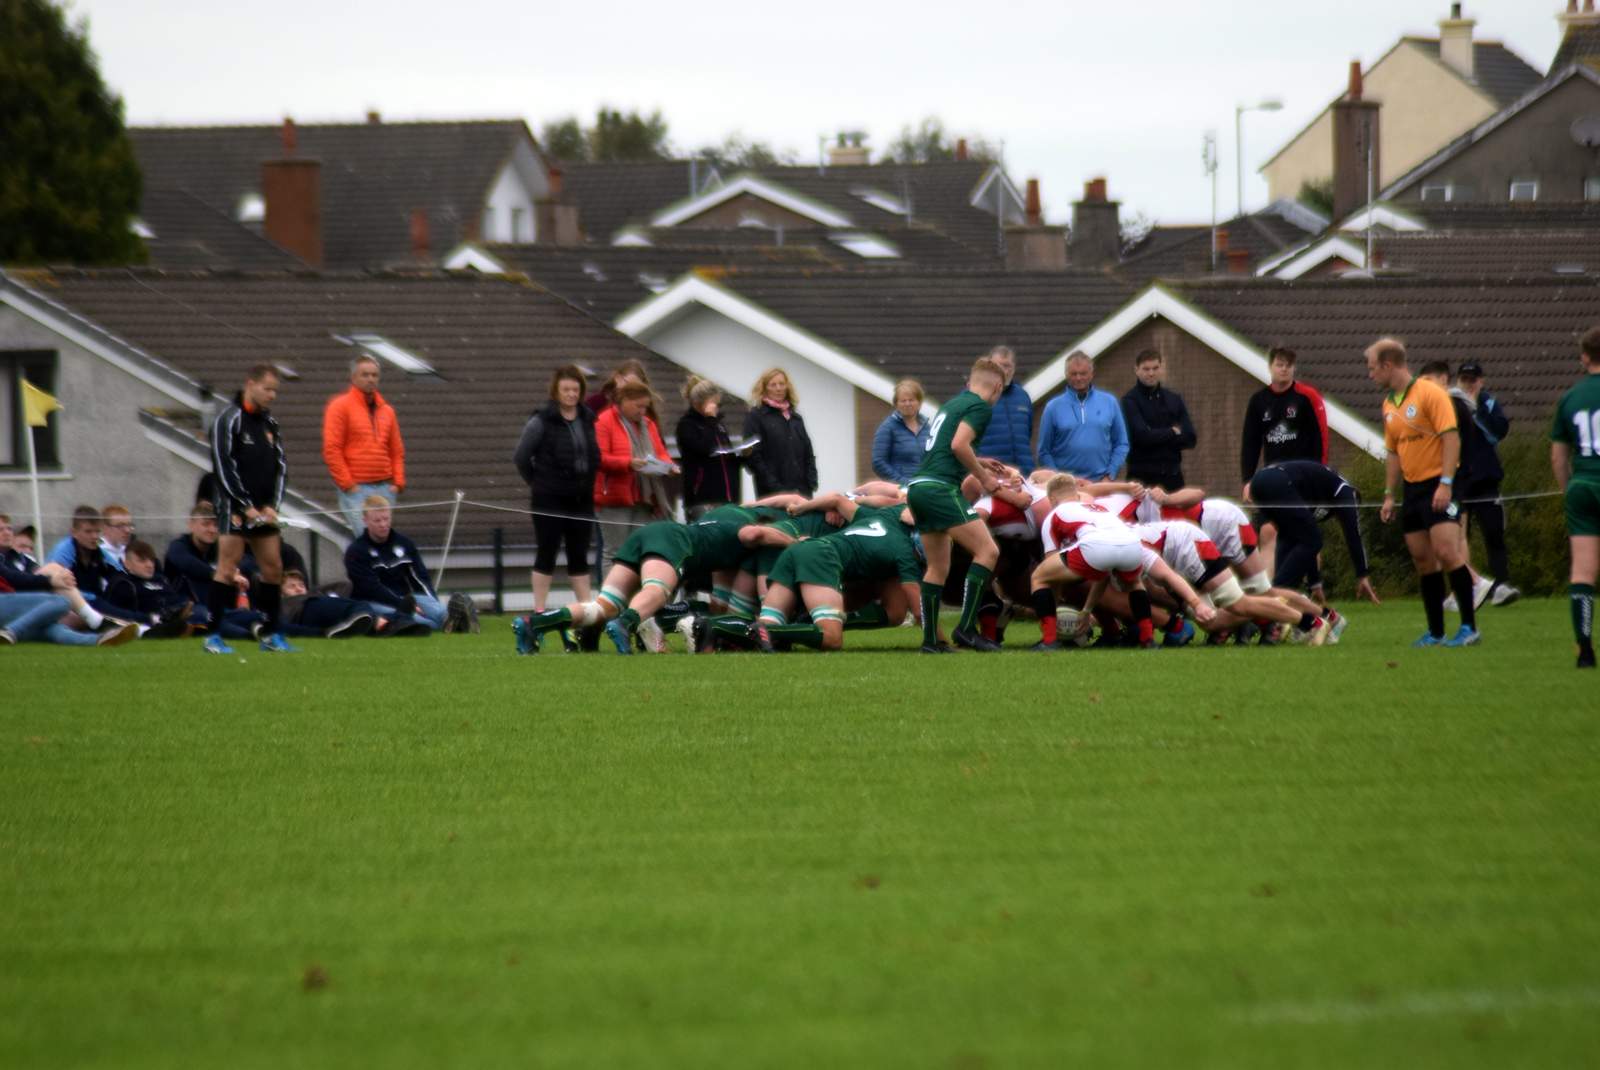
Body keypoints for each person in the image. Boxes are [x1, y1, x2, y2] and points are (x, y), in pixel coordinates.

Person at [1367, 337, 1479, 648]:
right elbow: (1393, 452)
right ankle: (1436, 632)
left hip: (1439, 484)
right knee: (1422, 559)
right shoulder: (1389, 404)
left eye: (1373, 368)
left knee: (1446, 551)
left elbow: (1451, 438)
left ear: (1389, 365)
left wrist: (1446, 483)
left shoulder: (1430, 393)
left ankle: (1469, 627)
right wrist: (1389, 494)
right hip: (1413, 489)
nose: (1370, 374)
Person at [906, 356, 1009, 653]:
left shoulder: (952, 404)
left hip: (918, 488)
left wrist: (979, 461)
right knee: (988, 551)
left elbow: (946, 446)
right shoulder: (980, 407)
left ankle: (931, 642)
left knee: (938, 566)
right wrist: (984, 478)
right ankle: (966, 629)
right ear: (997, 387)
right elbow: (958, 445)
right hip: (940, 488)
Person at [206, 362, 295, 654]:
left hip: (263, 511)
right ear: (250, 384)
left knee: (273, 567)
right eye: (267, 389)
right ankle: (213, 636)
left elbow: (280, 467)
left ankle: (271, 634)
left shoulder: (270, 424)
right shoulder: (228, 420)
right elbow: (223, 466)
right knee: (227, 567)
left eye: (275, 391)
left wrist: (271, 506)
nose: (272, 395)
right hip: (234, 507)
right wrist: (244, 506)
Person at [514, 364, 601, 615]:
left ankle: (586, 610)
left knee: (579, 553)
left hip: (582, 498)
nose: (571, 394)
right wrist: (538, 483)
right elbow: (521, 457)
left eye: (575, 389)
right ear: (556, 391)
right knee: (547, 551)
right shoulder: (541, 420)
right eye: (566, 389)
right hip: (548, 498)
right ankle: (539, 609)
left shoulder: (588, 419)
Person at [1240, 347, 1329, 582]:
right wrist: (1248, 480)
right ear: (1270, 367)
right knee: (1268, 532)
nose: (1284, 369)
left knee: (1305, 533)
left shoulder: (1306, 397)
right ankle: (1269, 590)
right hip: (1272, 481)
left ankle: (1313, 586)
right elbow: (1250, 443)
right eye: (1279, 365)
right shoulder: (1259, 401)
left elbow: (1321, 437)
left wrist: (1320, 475)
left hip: (1303, 479)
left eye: (1288, 365)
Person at [1246, 459, 1379, 607]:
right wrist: (1362, 574)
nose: (1339, 517)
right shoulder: (1347, 493)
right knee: (1313, 540)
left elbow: (1305, 542)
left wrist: (1314, 583)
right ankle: (1277, 595)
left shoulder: (1320, 493)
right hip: (1277, 481)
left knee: (1289, 537)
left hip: (1259, 483)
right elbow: (1353, 533)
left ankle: (1277, 599)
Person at [1550, 325, 1600, 669]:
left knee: (1582, 571)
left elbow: (1558, 457)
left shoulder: (1570, 398)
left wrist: (1566, 488)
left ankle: (1584, 649)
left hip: (1582, 485)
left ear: (1584, 357)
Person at [594, 380, 677, 576]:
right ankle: (611, 593)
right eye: (638, 406)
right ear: (624, 400)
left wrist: (669, 466)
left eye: (645, 406)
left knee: (639, 550)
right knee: (615, 552)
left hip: (644, 497)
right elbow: (599, 458)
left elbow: (660, 452)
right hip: (614, 498)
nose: (642, 411)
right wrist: (628, 463)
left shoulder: (648, 424)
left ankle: (635, 592)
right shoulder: (604, 421)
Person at [1455, 361, 1518, 606]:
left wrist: (1476, 411)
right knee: (1459, 536)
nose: (1468, 385)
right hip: (1460, 480)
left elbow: (1498, 432)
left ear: (1481, 381)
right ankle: (1466, 587)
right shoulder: (1451, 403)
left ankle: (1501, 585)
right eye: (1464, 380)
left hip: (1486, 479)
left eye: (1473, 380)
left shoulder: (1488, 403)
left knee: (1494, 533)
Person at [322, 354, 405, 534]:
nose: (370, 379)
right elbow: (332, 449)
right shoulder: (339, 407)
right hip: (357, 487)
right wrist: (349, 485)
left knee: (382, 537)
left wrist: (397, 482)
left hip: (385, 486)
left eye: (374, 375)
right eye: (365, 375)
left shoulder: (387, 411)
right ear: (353, 377)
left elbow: (396, 450)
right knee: (366, 537)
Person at [344, 496, 447, 630]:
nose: (383, 524)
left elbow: (421, 578)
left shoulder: (404, 544)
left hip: (406, 598)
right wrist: (402, 604)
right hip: (374, 602)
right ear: (365, 521)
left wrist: (432, 602)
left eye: (386, 519)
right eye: (377, 520)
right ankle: (435, 624)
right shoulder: (356, 551)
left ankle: (452, 619)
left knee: (441, 613)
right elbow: (371, 588)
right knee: (426, 624)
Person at [1036, 352, 1129, 481]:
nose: (1078, 378)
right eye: (1074, 374)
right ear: (1066, 375)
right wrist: (1059, 479)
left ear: (1092, 374)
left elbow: (1121, 444)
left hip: (1102, 482)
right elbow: (1044, 452)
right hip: (1066, 485)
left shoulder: (1109, 402)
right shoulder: (1052, 407)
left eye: (1083, 373)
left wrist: (1110, 474)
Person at [1121, 349, 1196, 491]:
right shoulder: (1129, 401)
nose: (1151, 373)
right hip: (1141, 481)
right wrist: (1172, 432)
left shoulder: (1174, 399)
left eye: (1155, 368)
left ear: (1162, 368)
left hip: (1173, 479)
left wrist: (1154, 434)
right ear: (1136, 370)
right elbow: (1142, 436)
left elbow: (1190, 438)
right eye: (1146, 369)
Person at [675, 375, 742, 521]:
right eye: (713, 403)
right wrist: (710, 420)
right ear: (699, 403)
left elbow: (726, 454)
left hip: (726, 495)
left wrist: (743, 455)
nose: (716, 407)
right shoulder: (687, 425)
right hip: (702, 497)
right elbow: (704, 448)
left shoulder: (718, 425)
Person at [743, 368, 817, 498]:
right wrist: (774, 486)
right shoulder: (756, 417)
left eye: (782, 384)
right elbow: (753, 457)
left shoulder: (796, 419)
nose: (778, 388)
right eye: (773, 385)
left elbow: (808, 452)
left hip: (802, 493)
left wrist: (812, 481)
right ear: (764, 388)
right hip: (772, 495)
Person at [975, 346, 1036, 472]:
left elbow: (1028, 432)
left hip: (1023, 473)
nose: (1004, 371)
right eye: (999, 366)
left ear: (1014, 368)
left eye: (1007, 366)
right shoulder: (976, 396)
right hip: (990, 472)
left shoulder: (1023, 396)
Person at [46, 506, 117, 604]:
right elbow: (56, 586)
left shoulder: (98, 551)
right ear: (74, 532)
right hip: (71, 604)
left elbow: (120, 574)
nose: (95, 536)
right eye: (88, 531)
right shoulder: (64, 551)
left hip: (94, 602)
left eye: (97, 531)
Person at [871, 378, 931, 485]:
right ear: (896, 404)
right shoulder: (887, 427)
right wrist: (902, 482)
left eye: (911, 400)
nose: (907, 404)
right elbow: (878, 462)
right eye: (903, 401)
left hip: (925, 486)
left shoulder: (928, 428)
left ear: (919, 402)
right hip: (899, 489)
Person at [98, 504, 135, 571]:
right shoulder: (97, 553)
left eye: (129, 525)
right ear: (105, 528)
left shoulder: (130, 552)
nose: (127, 530)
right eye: (120, 526)